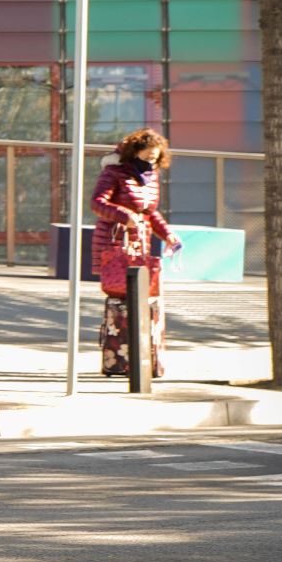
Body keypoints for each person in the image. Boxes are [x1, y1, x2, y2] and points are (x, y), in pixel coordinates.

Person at [92, 127, 182, 378]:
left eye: (154, 158)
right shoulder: (114, 172)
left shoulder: (150, 176)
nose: (150, 162)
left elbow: (150, 212)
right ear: (135, 153)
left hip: (139, 242)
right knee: (122, 298)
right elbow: (97, 202)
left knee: (141, 298)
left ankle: (140, 359)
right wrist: (125, 216)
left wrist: (167, 235)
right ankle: (120, 359)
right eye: (146, 157)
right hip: (115, 242)